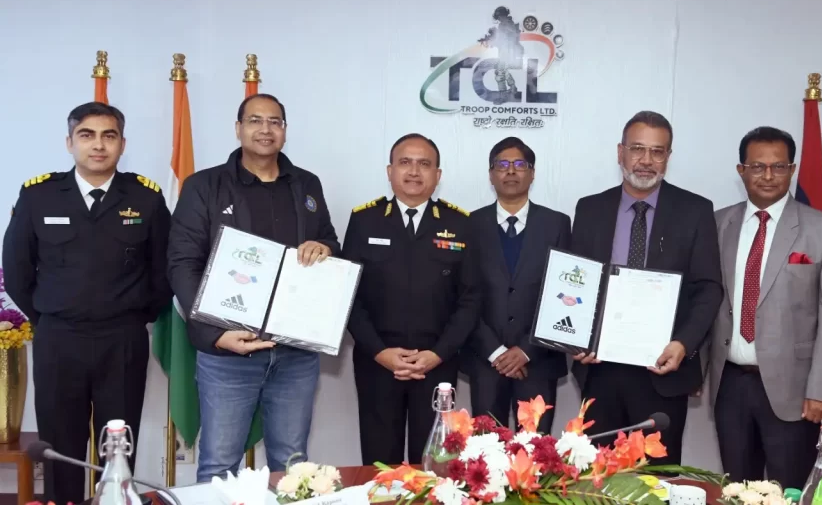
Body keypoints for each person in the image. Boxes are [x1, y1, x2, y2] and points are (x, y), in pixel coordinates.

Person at [1, 102, 171, 504]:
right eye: (87, 135)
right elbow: (17, 269)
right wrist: (49, 316)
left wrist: (136, 315)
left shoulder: (145, 198)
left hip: (122, 339)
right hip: (59, 339)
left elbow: (164, 270)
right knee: (60, 446)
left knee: (118, 446)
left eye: (109, 136)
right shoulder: (39, 196)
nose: (98, 145)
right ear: (70, 142)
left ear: (122, 144)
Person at [167, 93, 341, 482]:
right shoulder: (204, 185)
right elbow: (182, 264)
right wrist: (215, 334)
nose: (265, 129)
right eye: (255, 120)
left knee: (293, 465)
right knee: (219, 465)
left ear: (285, 130)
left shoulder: (306, 184)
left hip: (295, 353)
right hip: (228, 352)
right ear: (238, 128)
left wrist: (325, 248)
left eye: (274, 121)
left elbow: (330, 241)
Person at [570, 111, 723, 463]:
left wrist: (683, 344)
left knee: (657, 479)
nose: (646, 160)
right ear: (620, 152)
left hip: (663, 370)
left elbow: (708, 287)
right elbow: (577, 281)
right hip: (600, 369)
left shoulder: (695, 210)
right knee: (597, 477)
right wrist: (576, 336)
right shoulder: (590, 208)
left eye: (657, 151)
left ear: (668, 157)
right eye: (637, 149)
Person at [707, 127, 822, 489]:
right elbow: (704, 299)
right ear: (741, 170)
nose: (768, 176)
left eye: (779, 166)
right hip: (730, 385)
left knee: (790, 492)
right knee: (737, 491)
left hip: (796, 391)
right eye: (758, 166)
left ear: (792, 169)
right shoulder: (717, 224)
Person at [341, 133, 479, 465]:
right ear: (390, 171)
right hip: (378, 362)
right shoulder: (364, 220)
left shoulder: (460, 223)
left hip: (437, 363)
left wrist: (438, 353)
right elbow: (349, 295)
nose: (414, 171)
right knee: (379, 462)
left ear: (438, 175)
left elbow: (470, 298)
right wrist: (379, 352)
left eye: (424, 164)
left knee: (433, 463)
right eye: (405, 162)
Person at [463, 137, 571, 434]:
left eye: (520, 164)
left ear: (532, 173)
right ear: (491, 174)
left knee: (537, 453)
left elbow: (563, 295)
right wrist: (495, 351)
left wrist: (525, 350)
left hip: (538, 360)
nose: (511, 171)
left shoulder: (557, 224)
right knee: (485, 452)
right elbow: (463, 296)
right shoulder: (469, 225)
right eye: (502, 164)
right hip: (486, 360)